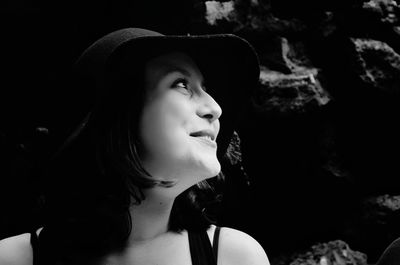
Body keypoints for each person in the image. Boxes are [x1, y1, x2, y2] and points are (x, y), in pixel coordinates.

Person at [0, 27, 269, 265]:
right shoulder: (12, 258)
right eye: (182, 84)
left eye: (205, 87)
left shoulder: (235, 257)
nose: (215, 108)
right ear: (120, 114)